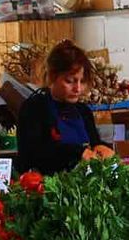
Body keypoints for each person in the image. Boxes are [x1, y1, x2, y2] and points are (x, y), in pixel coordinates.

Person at [16, 40, 114, 176]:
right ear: (52, 77)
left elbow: (93, 144)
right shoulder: (34, 109)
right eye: (70, 81)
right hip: (45, 188)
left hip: (82, 187)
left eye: (82, 81)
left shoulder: (83, 111)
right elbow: (33, 154)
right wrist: (76, 153)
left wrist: (103, 149)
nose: (78, 88)